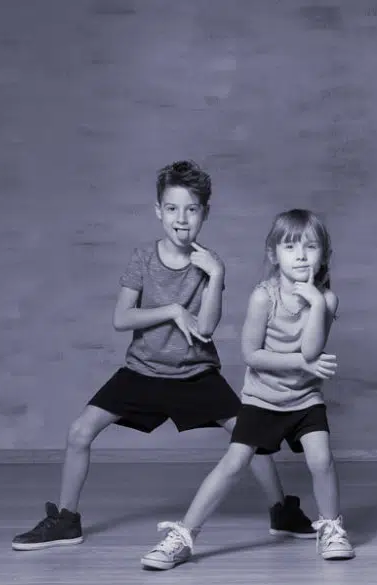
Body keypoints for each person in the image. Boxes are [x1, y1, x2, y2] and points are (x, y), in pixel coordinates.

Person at [11, 161, 314, 551]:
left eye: (191, 209)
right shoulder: (143, 258)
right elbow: (122, 318)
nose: (181, 218)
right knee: (79, 432)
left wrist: (217, 275)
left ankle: (281, 511)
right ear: (158, 211)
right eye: (172, 208)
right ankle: (67, 520)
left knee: (250, 436)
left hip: (195, 374)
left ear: (204, 213)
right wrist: (171, 310)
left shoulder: (209, 264)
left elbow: (205, 329)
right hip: (142, 371)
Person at [141, 209, 353, 570]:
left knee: (322, 459)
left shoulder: (327, 300)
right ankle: (183, 536)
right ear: (274, 255)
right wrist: (302, 364)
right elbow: (252, 355)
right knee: (234, 463)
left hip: (304, 399)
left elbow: (313, 351)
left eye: (310, 247)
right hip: (262, 399)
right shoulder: (263, 296)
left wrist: (317, 303)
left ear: (324, 254)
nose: (301, 256)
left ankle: (332, 529)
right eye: (290, 247)